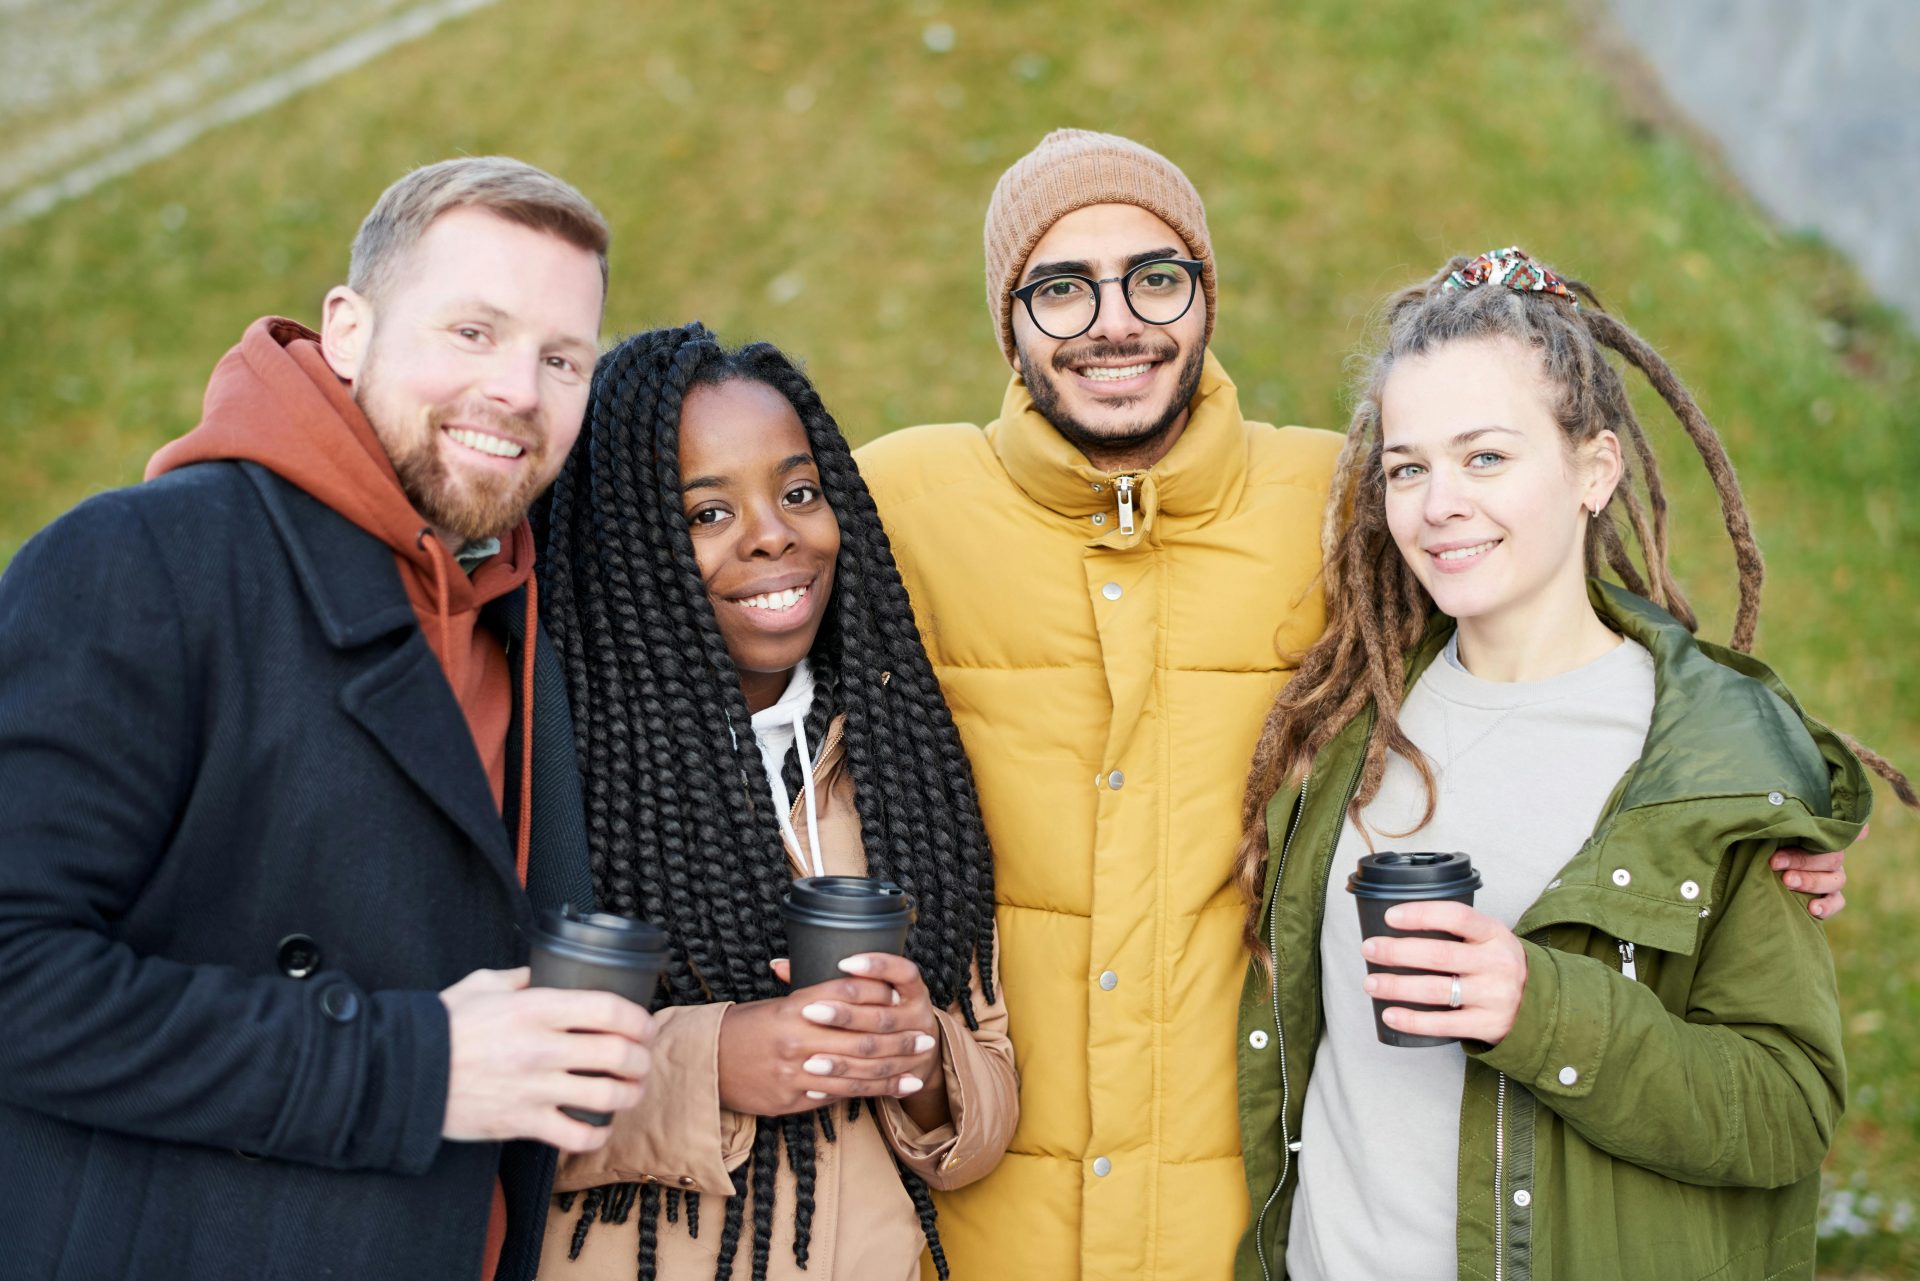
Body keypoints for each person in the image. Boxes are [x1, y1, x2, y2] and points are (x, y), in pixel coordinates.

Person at [854, 131, 1857, 1280]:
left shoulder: (1325, 514)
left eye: (1155, 277)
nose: (1114, 322)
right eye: (1060, 289)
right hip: (1021, 1218)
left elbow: (1579, 617)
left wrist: (1781, 803)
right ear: (1008, 319)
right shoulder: (902, 500)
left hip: (1234, 1229)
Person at [0, 157, 655, 1281]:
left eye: (560, 359)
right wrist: (414, 1068)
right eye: (472, 332)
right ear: (347, 331)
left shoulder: (522, 616)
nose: (518, 391)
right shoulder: (141, 563)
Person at [1230, 248, 1914, 1281]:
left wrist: (1532, 1006)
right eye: (1408, 466)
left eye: (1486, 458)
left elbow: (1784, 1108)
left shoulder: (1706, 759)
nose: (1438, 504)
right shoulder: (1347, 713)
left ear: (1595, 469)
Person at [535, 324, 1016, 1281]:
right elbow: (473, 1100)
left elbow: (986, 1097)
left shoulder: (896, 762)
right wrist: (712, 1062)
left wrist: (921, 1054)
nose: (772, 533)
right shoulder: (560, 776)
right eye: (706, 514)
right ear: (625, 550)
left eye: (799, 492)